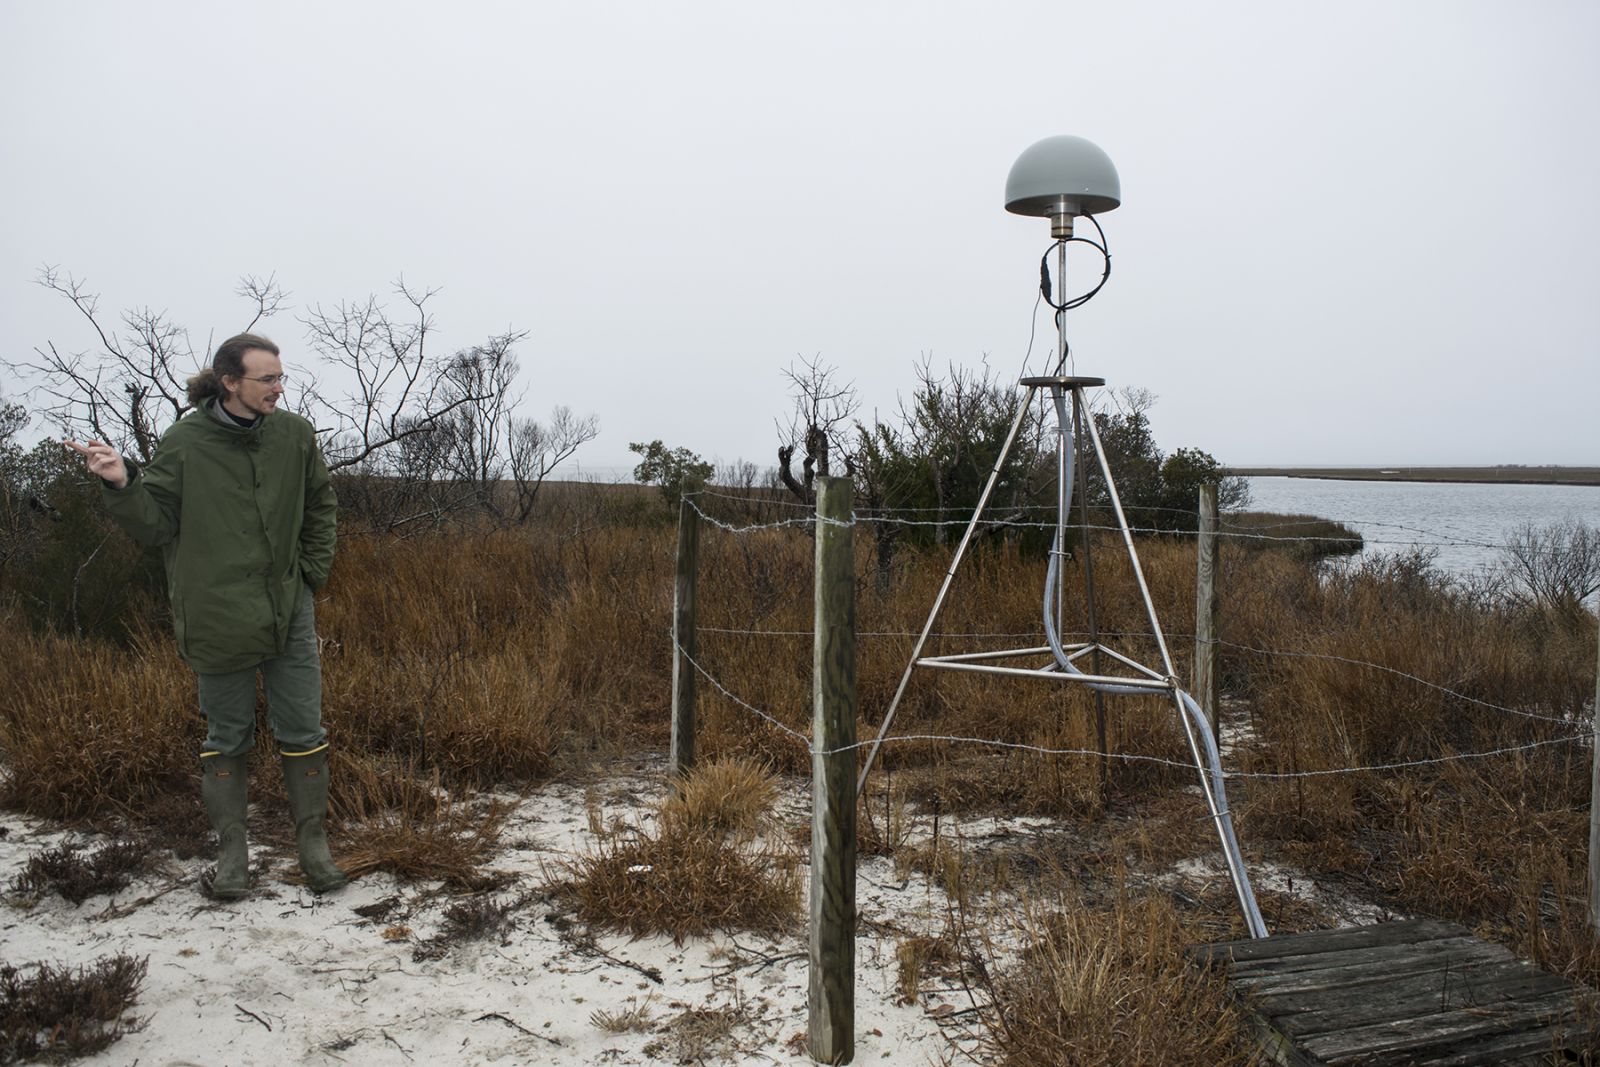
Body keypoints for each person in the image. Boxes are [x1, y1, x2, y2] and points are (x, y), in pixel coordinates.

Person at [66, 332, 346, 899]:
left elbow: (321, 503)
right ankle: (233, 858)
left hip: (287, 610)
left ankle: (313, 848)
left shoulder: (294, 435)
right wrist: (121, 482)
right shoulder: (186, 440)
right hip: (216, 614)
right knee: (227, 737)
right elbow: (156, 523)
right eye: (267, 378)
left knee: (303, 729)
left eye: (279, 376)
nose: (278, 387)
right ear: (230, 382)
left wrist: (311, 572)